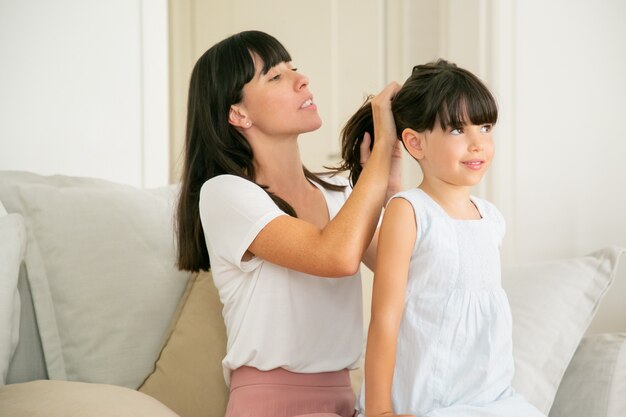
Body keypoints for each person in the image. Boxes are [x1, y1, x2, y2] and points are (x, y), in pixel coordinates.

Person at [175, 30, 402, 417]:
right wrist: (380, 153)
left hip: (345, 400)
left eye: (294, 68)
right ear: (238, 113)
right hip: (268, 405)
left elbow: (399, 271)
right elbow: (335, 257)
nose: (302, 79)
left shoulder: (339, 197)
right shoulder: (225, 194)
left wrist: (390, 190)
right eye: (276, 76)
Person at [337, 60, 545, 417]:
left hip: (490, 397)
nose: (478, 143)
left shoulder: (491, 219)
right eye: (456, 131)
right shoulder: (409, 211)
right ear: (415, 143)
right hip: (427, 399)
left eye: (485, 127)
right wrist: (379, 410)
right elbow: (385, 318)